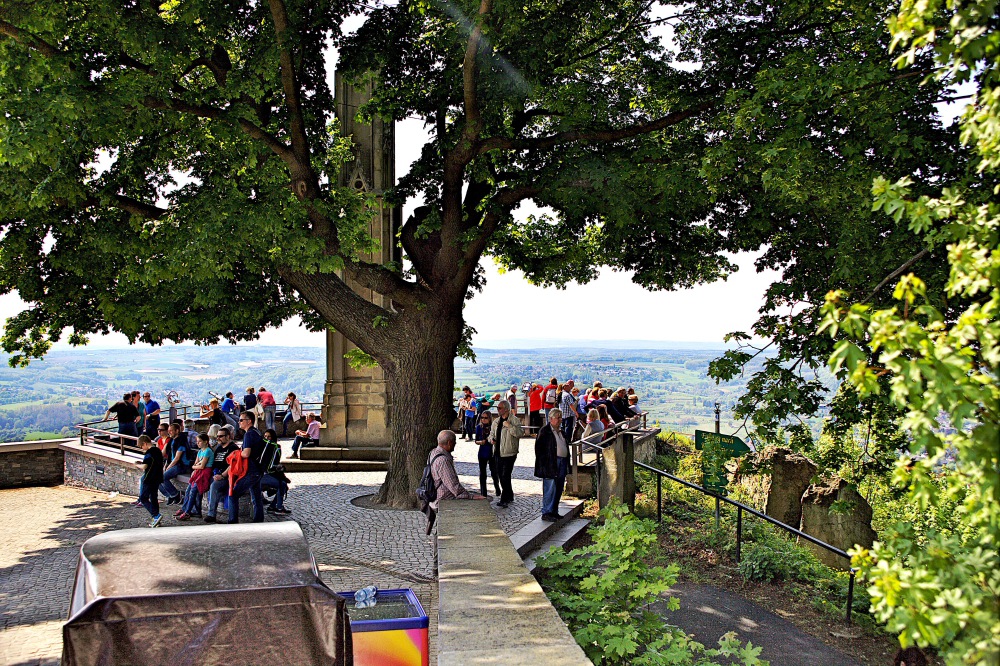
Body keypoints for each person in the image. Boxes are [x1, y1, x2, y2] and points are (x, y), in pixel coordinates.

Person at [422, 430, 484, 533]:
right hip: (442, 499)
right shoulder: (443, 460)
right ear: (449, 443)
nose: (455, 444)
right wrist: (471, 496)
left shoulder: (433, 452)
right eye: (454, 442)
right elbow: (454, 487)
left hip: (434, 496)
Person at [229, 411, 265, 523]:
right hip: (258, 469)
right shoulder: (257, 432)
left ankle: (232, 521)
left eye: (241, 420)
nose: (239, 422)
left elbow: (246, 453)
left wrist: (236, 454)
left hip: (251, 470)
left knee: (233, 494)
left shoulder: (249, 434)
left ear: (249, 421)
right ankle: (258, 520)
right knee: (256, 497)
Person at [534, 409, 569, 522]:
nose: (560, 420)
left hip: (562, 461)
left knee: (559, 487)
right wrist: (544, 464)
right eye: (557, 417)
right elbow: (539, 449)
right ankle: (547, 511)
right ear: (551, 418)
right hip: (550, 463)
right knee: (550, 487)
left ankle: (554, 510)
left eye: (560, 417)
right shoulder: (545, 431)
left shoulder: (561, 432)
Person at [489, 400, 524, 508]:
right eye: (497, 408)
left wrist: (509, 426)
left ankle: (504, 498)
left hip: (509, 452)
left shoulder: (514, 420)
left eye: (500, 408)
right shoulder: (496, 421)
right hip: (497, 452)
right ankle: (509, 494)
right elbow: (491, 434)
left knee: (505, 475)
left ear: (506, 409)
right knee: (501, 475)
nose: (498, 410)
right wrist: (491, 439)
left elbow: (519, 433)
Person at [204, 426, 240, 523]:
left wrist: (222, 476)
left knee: (214, 485)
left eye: (221, 436)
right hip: (216, 474)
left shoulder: (233, 448)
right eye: (217, 436)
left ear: (228, 437)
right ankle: (193, 510)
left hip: (227, 477)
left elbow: (232, 465)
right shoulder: (219, 448)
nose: (218, 438)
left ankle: (211, 514)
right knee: (199, 483)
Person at [177, 433, 213, 520]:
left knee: (193, 491)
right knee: (189, 490)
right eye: (197, 442)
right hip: (198, 472)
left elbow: (202, 466)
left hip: (204, 473)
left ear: (206, 442)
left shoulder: (208, 451)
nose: (198, 443)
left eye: (200, 441)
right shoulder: (200, 451)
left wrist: (197, 465)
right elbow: (195, 464)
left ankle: (187, 512)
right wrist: (197, 465)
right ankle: (185, 509)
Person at [259, 428, 292, 515]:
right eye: (265, 436)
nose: (267, 438)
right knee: (283, 485)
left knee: (283, 484)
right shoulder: (269, 447)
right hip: (262, 475)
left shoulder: (274, 448)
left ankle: (274, 506)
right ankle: (278, 507)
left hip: (265, 475)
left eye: (269, 437)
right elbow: (270, 467)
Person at [134, 435, 163, 528]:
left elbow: (145, 466)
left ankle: (156, 515)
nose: (142, 449)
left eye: (141, 446)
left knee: (143, 498)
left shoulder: (149, 453)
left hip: (149, 478)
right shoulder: (157, 450)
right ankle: (156, 519)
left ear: (145, 443)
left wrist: (137, 464)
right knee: (153, 497)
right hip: (158, 477)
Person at [159, 422, 192, 505]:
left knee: (163, 478)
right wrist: (166, 465)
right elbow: (169, 455)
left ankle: (176, 494)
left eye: (171, 431)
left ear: (177, 431)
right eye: (169, 430)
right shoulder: (172, 441)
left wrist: (168, 467)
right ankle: (170, 495)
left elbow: (177, 458)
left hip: (181, 465)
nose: (169, 432)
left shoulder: (181, 441)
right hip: (174, 464)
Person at [475, 411, 500, 498]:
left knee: (494, 472)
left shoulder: (493, 428)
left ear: (489, 418)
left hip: (491, 452)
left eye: (485, 418)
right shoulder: (479, 427)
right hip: (482, 452)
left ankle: (497, 488)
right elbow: (476, 440)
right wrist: (481, 442)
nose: (483, 419)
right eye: (482, 417)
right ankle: (483, 492)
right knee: (482, 473)